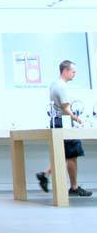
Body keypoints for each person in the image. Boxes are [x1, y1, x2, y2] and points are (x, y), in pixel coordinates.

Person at [36, 60, 92, 197]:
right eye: (73, 72)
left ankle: (45, 174)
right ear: (65, 71)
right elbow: (66, 109)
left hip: (57, 122)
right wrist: (78, 119)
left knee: (63, 154)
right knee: (72, 155)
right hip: (64, 123)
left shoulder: (54, 84)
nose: (74, 74)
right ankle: (74, 187)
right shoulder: (62, 87)